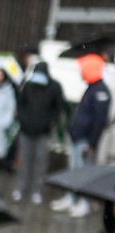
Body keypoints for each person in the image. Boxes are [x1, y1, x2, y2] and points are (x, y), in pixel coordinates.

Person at [52, 54, 112, 218]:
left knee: (83, 173)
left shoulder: (101, 91)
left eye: (83, 69)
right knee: (74, 172)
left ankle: (83, 203)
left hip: (85, 141)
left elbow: (99, 120)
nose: (81, 72)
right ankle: (71, 198)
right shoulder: (92, 87)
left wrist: (91, 142)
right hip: (78, 138)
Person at [14, 61, 66, 204]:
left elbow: (58, 108)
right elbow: (20, 104)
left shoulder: (55, 87)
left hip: (44, 132)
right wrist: (23, 120)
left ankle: (37, 190)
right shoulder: (27, 85)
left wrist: (49, 122)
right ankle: (21, 188)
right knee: (24, 161)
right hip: (26, 131)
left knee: (40, 162)